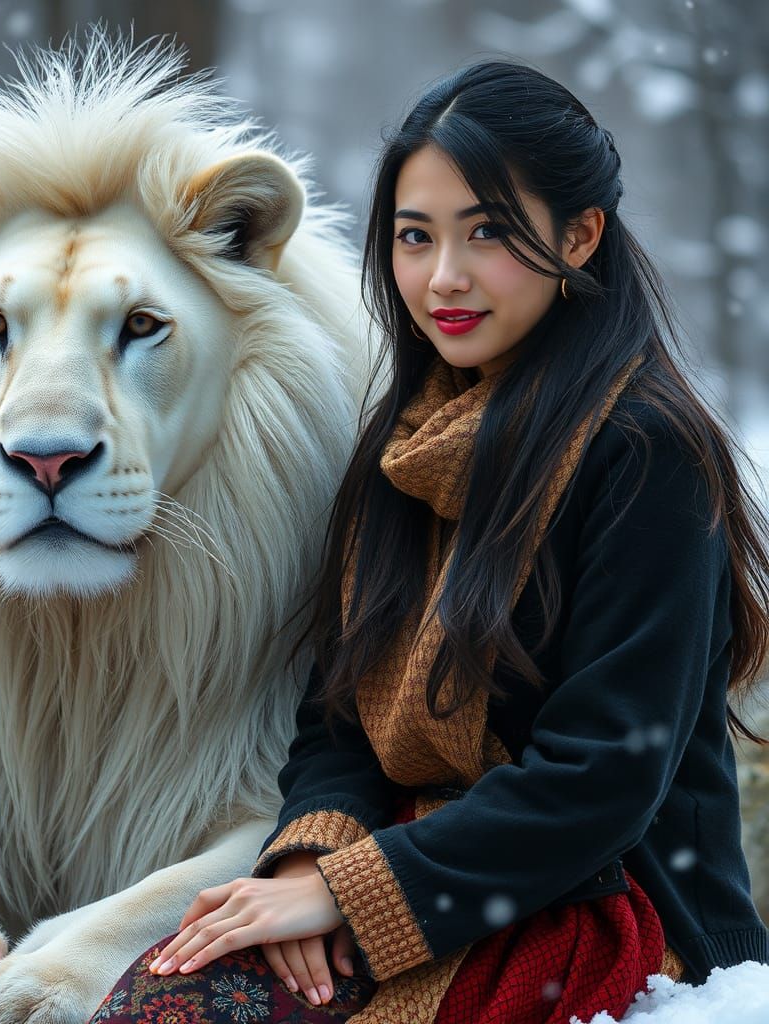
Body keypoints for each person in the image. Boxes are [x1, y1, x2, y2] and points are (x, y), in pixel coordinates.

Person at [90, 60, 769, 1024]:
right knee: (163, 994)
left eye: (486, 231)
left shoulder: (646, 450)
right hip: (412, 868)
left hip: (604, 902)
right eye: (415, 237)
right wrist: (308, 866)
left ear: (580, 235)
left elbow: (605, 776)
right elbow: (338, 722)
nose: (443, 275)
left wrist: (352, 895)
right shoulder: (404, 447)